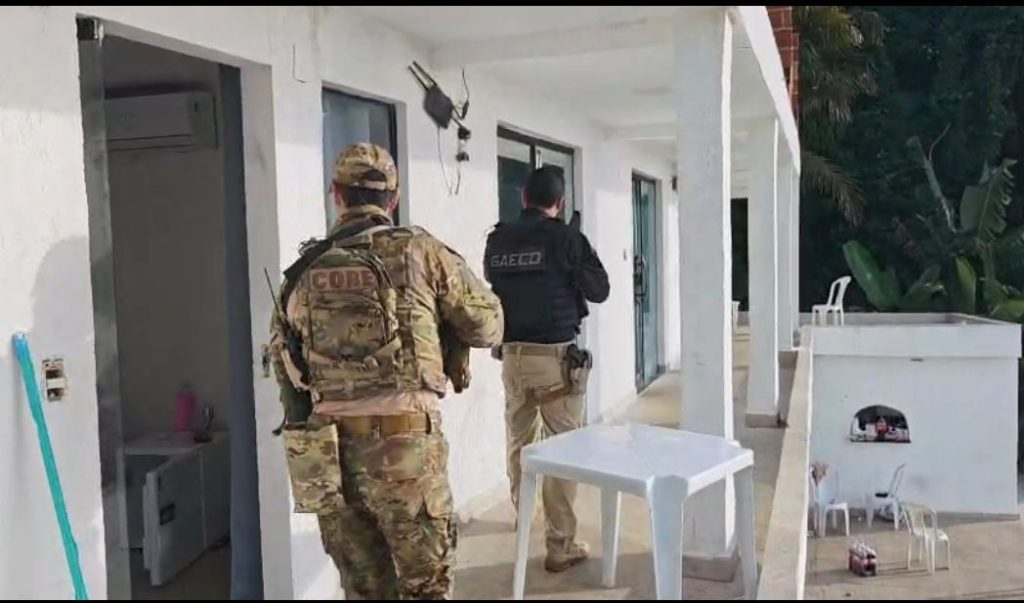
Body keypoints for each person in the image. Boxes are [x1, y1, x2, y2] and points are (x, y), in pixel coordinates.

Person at [268, 143, 503, 600]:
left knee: (363, 590)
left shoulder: (301, 272)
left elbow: (284, 371)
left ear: (336, 195)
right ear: (392, 199)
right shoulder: (422, 251)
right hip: (405, 450)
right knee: (426, 590)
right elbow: (488, 326)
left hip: (330, 458)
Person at [483, 165, 609, 572]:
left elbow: (500, 286)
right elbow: (600, 290)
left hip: (512, 358)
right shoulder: (566, 238)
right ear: (561, 202)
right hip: (554, 362)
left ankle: (524, 520)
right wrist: (573, 255)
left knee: (519, 441)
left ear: (523, 199)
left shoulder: (498, 239)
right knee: (564, 448)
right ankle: (560, 544)